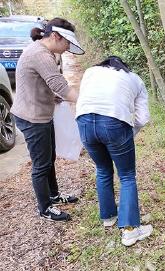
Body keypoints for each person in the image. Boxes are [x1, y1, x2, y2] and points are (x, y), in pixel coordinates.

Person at [11, 18, 84, 222]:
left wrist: (54, 97)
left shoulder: (43, 51)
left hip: (41, 113)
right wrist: (89, 102)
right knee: (41, 164)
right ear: (55, 36)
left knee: (49, 158)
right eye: (67, 42)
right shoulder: (41, 54)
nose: (68, 47)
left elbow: (42, 84)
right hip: (32, 117)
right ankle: (44, 208)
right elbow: (59, 85)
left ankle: (53, 195)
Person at [75, 56, 153, 247]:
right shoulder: (134, 79)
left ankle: (109, 217)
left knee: (102, 169)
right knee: (126, 176)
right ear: (124, 67)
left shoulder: (90, 72)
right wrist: (126, 134)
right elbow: (143, 118)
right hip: (115, 122)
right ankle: (130, 231)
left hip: (84, 123)